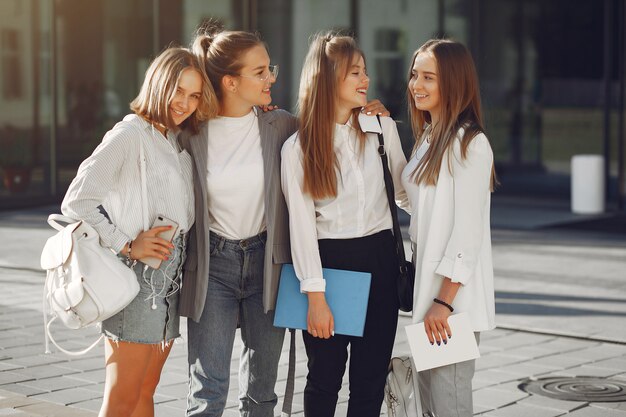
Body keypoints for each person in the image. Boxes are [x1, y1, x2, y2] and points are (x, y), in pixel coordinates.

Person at [181, 26, 389, 417]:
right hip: (214, 265)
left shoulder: (281, 126)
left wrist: (364, 108)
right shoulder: (192, 133)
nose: (272, 77)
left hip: (267, 264)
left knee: (262, 392)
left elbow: (329, 125)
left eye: (269, 68)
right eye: (260, 72)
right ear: (230, 81)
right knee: (208, 390)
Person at [61, 47, 217, 417]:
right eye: (178, 90)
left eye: (194, 95)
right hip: (136, 285)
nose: (185, 103)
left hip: (166, 287)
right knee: (121, 400)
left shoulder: (175, 141)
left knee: (145, 393)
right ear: (159, 83)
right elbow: (77, 200)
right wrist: (127, 244)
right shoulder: (130, 134)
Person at [280, 32, 409, 417]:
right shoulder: (298, 147)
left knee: (369, 383)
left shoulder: (380, 129)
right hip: (329, 266)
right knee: (324, 380)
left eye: (365, 72)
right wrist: (315, 298)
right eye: (355, 73)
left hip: (381, 261)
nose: (365, 81)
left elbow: (404, 192)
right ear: (327, 79)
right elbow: (301, 229)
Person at [400, 39, 496, 417]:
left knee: (448, 402)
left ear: (454, 83)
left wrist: (443, 303)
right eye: (414, 75)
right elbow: (416, 201)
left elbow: (467, 234)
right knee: (430, 404)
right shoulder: (428, 136)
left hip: (451, 303)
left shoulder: (469, 143)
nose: (416, 85)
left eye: (429, 77)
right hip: (430, 296)